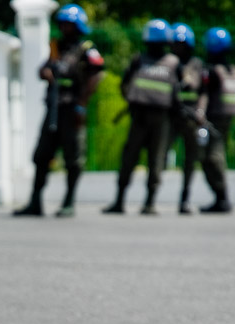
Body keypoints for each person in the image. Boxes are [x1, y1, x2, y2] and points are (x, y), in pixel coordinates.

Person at [12, 4, 104, 218]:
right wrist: (46, 72)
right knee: (42, 155)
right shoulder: (56, 47)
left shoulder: (86, 49)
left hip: (72, 110)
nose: (64, 28)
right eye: (62, 24)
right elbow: (42, 69)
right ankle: (35, 202)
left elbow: (96, 77)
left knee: (73, 159)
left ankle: (69, 202)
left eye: (69, 24)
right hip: (53, 108)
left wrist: (81, 104)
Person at [102, 19, 179, 216]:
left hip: (161, 119)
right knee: (129, 158)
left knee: (156, 161)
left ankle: (150, 203)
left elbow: (178, 93)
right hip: (139, 116)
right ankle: (119, 201)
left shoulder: (173, 63)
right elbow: (125, 83)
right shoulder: (139, 59)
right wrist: (131, 100)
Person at [196, 27, 235, 213]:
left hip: (215, 119)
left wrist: (200, 112)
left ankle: (222, 198)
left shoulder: (212, 70)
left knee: (213, 158)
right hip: (227, 118)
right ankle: (220, 198)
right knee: (213, 157)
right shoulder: (233, 71)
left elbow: (205, 94)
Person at [168, 23, 203, 215]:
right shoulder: (169, 63)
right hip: (171, 116)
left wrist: (200, 111)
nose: (177, 47)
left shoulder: (197, 65)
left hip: (191, 118)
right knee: (159, 156)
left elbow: (203, 91)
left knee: (190, 160)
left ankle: (185, 200)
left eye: (181, 44)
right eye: (174, 44)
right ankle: (151, 199)